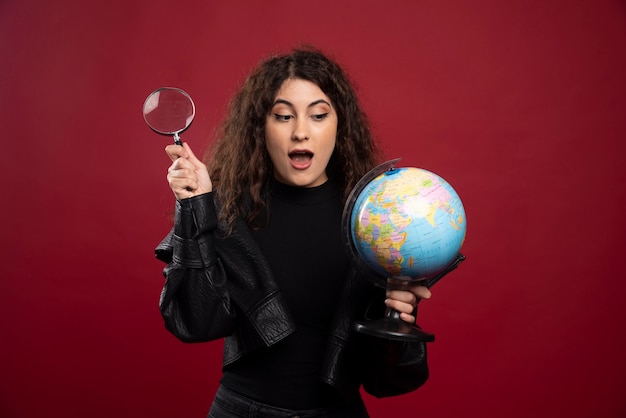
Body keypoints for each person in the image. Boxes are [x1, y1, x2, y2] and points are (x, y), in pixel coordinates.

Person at [155, 47, 433, 418]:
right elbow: (194, 322)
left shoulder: (375, 220)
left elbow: (389, 383)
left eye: (318, 115)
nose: (300, 131)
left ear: (340, 125)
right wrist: (195, 208)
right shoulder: (224, 209)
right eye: (283, 116)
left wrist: (397, 321)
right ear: (260, 126)